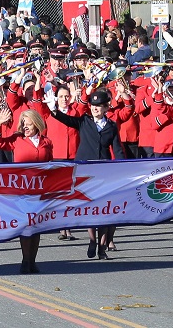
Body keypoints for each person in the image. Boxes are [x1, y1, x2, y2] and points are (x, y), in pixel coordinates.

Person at [50, 90, 125, 260]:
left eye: (99, 106)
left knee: (106, 210)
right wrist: (53, 110)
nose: (95, 109)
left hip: (104, 171)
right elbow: (67, 120)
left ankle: (102, 246)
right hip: (86, 171)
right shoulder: (84, 121)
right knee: (91, 208)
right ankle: (92, 240)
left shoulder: (111, 126)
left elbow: (118, 149)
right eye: (93, 106)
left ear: (106, 107)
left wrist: (122, 168)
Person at [0, 109, 53, 273]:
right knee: (26, 225)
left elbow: (50, 164)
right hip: (22, 189)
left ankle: (33, 260)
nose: (25, 126)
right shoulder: (17, 139)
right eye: (23, 123)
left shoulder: (46, 141)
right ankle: (25, 260)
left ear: (37, 123)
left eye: (29, 123)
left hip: (40, 189)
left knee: (37, 225)